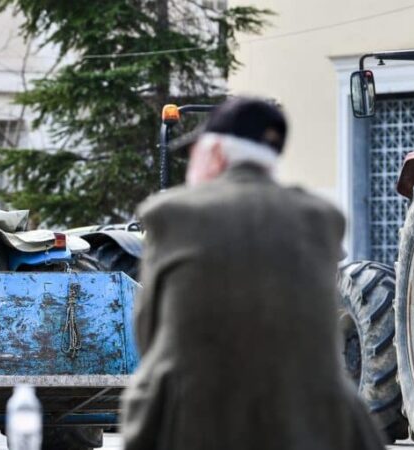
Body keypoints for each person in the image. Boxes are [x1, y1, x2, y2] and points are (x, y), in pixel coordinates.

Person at [121, 98, 385, 450]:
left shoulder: (173, 214)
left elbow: (148, 334)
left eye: (193, 158)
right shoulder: (320, 218)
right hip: (310, 427)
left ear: (214, 155)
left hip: (194, 426)